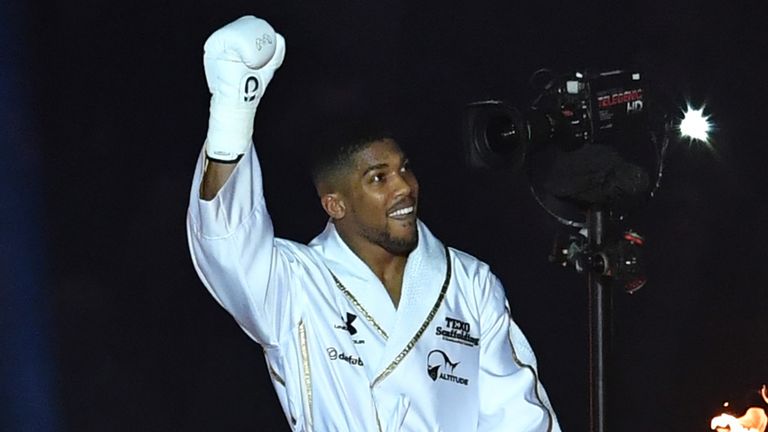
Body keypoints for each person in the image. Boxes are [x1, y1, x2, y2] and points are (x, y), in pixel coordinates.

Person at [187, 15, 561, 432]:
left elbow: (518, 418)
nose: (405, 187)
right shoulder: (298, 284)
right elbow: (225, 245)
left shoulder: (470, 284)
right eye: (378, 178)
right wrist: (233, 112)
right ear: (335, 204)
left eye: (405, 169)